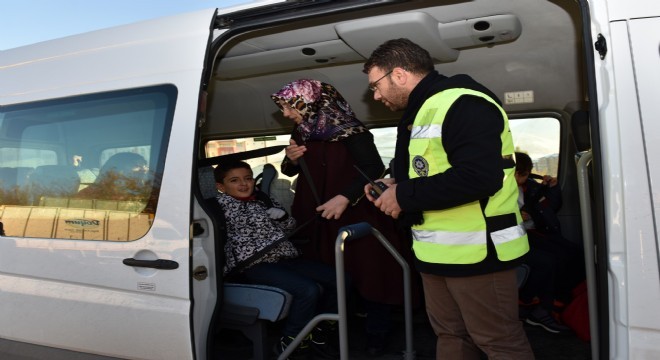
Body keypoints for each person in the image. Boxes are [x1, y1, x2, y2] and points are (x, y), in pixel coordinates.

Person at [362, 38, 534, 359]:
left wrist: (404, 194)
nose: (375, 94)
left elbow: (479, 177)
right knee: (451, 336)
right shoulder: (422, 111)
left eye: (376, 85)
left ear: (398, 74)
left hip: (480, 255)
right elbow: (431, 172)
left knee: (497, 342)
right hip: (435, 253)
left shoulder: (463, 103)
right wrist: (394, 183)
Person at [271, 79, 418, 356]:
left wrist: (345, 198)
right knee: (329, 277)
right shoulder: (302, 131)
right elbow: (290, 171)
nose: (286, 114)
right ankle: (328, 335)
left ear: (309, 102)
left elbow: (373, 166)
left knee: (372, 274)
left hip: (356, 212)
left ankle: (377, 338)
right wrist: (290, 159)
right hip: (317, 219)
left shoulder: (352, 131)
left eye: (288, 107)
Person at [214, 160, 338, 360]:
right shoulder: (218, 208)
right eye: (234, 181)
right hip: (253, 265)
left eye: (248, 178)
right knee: (308, 289)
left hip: (285, 258)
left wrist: (282, 218)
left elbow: (290, 227)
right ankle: (290, 343)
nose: (244, 184)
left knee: (339, 278)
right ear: (221, 187)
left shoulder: (263, 199)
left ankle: (319, 331)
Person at [514, 151, 585, 332]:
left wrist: (552, 190)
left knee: (574, 252)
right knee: (549, 260)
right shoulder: (495, 190)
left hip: (533, 231)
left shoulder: (530, 186)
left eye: (525, 174)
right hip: (513, 236)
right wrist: (514, 217)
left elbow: (550, 208)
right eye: (520, 174)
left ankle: (560, 300)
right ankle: (538, 306)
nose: (523, 178)